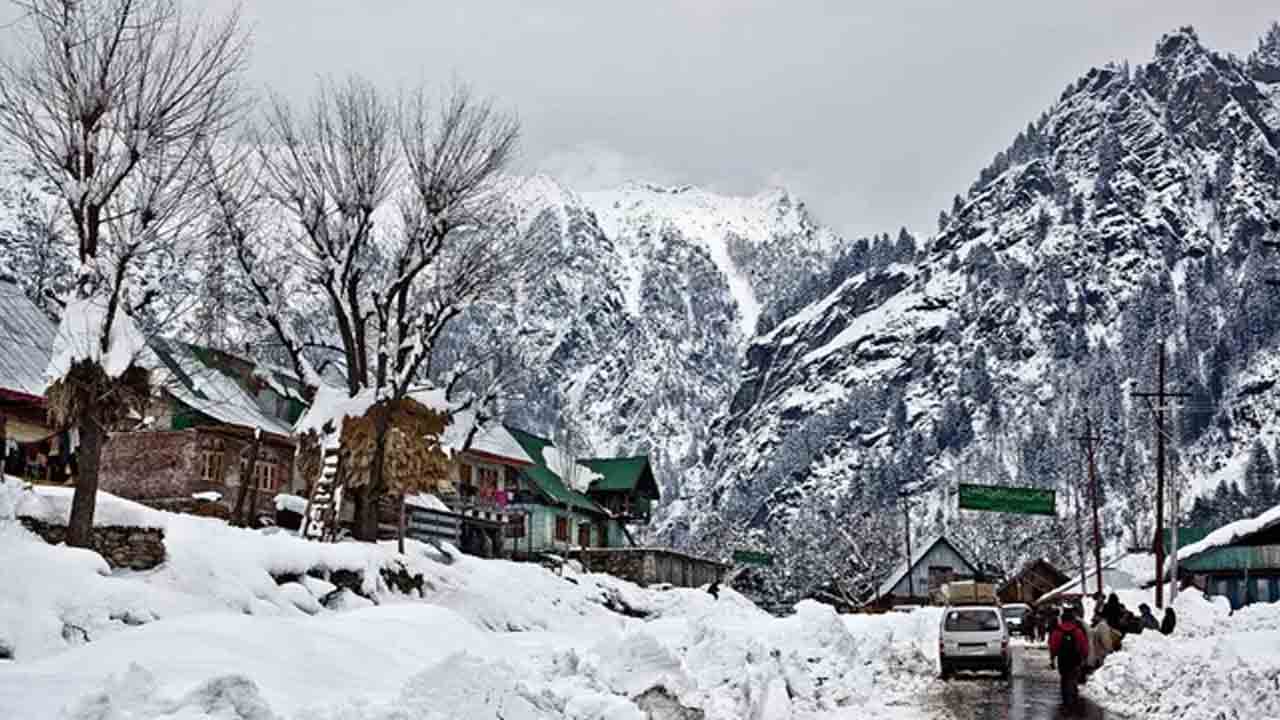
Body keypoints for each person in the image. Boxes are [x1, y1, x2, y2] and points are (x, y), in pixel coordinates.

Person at [1049, 607, 1089, 707]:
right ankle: (1073, 697)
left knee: (1064, 678)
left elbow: (1053, 646)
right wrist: (1084, 657)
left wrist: (1052, 658)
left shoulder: (1057, 632)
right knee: (1073, 677)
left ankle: (1065, 699)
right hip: (1075, 659)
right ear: (1072, 619)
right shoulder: (1078, 631)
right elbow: (1084, 646)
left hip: (1062, 659)